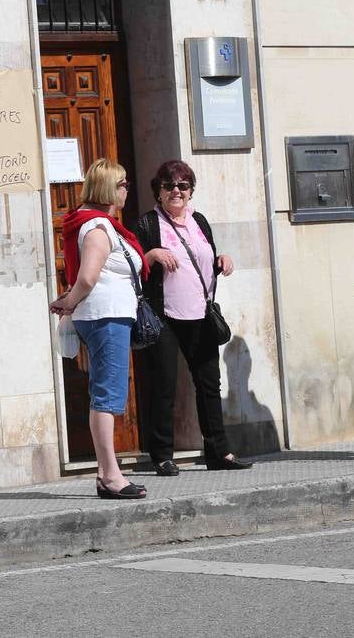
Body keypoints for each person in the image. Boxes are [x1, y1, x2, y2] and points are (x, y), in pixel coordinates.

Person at [133, 160, 251, 476]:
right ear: (158, 191)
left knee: (209, 384)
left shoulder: (198, 220)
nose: (176, 191)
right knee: (164, 386)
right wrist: (151, 255)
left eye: (183, 186)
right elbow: (130, 267)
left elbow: (202, 260)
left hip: (201, 315)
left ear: (191, 191)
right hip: (165, 317)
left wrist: (220, 260)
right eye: (169, 186)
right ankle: (162, 456)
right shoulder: (147, 224)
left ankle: (219, 452)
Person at [49, 158, 149, 500]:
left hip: (108, 315)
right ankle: (110, 475)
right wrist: (69, 301)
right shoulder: (97, 229)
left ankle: (108, 472)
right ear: (108, 188)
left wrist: (70, 299)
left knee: (106, 393)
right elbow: (88, 277)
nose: (126, 190)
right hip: (106, 316)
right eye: (122, 185)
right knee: (107, 395)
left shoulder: (99, 225)